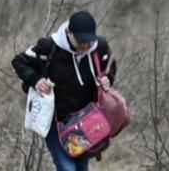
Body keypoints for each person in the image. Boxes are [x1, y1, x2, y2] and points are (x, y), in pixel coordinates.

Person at [12, 11, 117, 171]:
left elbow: (110, 64)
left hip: (86, 119)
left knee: (81, 167)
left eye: (89, 41)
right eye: (81, 41)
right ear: (70, 33)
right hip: (56, 119)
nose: (85, 46)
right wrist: (37, 80)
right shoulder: (49, 47)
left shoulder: (99, 47)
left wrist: (108, 78)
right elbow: (19, 62)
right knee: (67, 167)